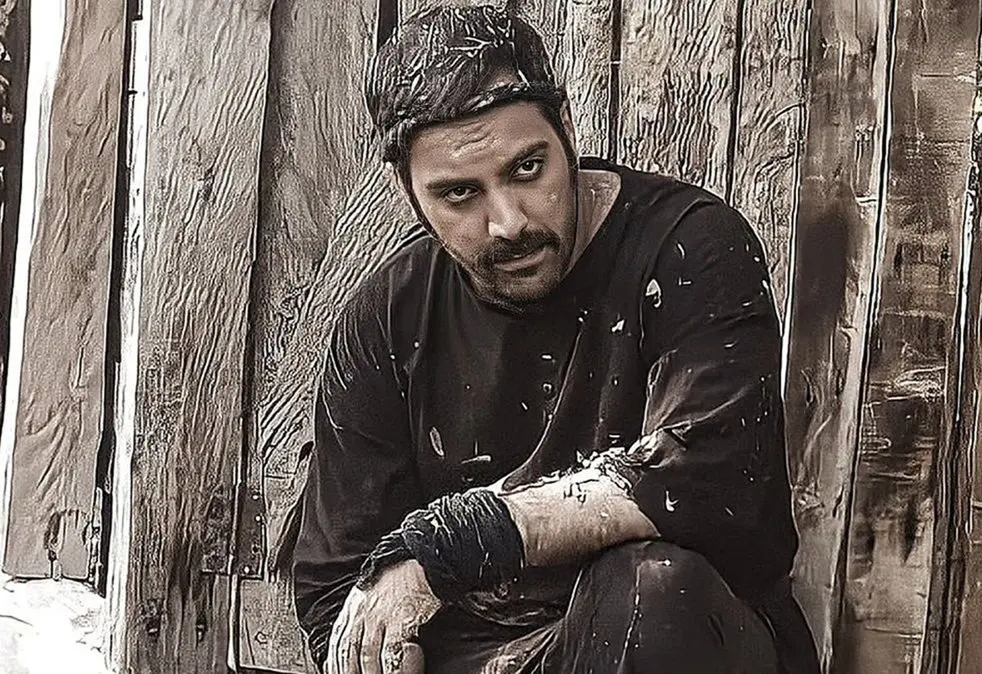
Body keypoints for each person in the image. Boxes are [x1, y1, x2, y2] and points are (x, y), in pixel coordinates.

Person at [292, 4, 820, 673]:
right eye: (459, 195)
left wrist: (465, 542)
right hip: (484, 657)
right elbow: (338, 586)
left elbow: (705, 477)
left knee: (652, 589)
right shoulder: (388, 317)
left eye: (526, 169)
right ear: (409, 193)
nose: (508, 223)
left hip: (679, 638)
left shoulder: (690, 247)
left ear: (566, 129)